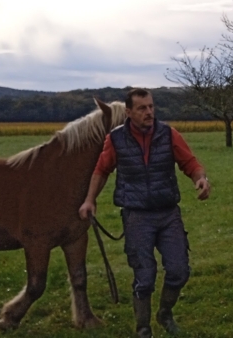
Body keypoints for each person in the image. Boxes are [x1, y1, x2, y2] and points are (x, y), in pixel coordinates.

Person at [79, 88, 210, 337]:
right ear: (129, 112)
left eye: (151, 106)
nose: (149, 112)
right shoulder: (116, 139)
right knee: (144, 277)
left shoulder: (169, 134)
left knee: (179, 270)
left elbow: (190, 163)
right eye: (142, 108)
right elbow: (101, 170)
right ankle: (143, 328)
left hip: (168, 213)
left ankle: (164, 313)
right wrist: (89, 200)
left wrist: (200, 179)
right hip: (137, 216)